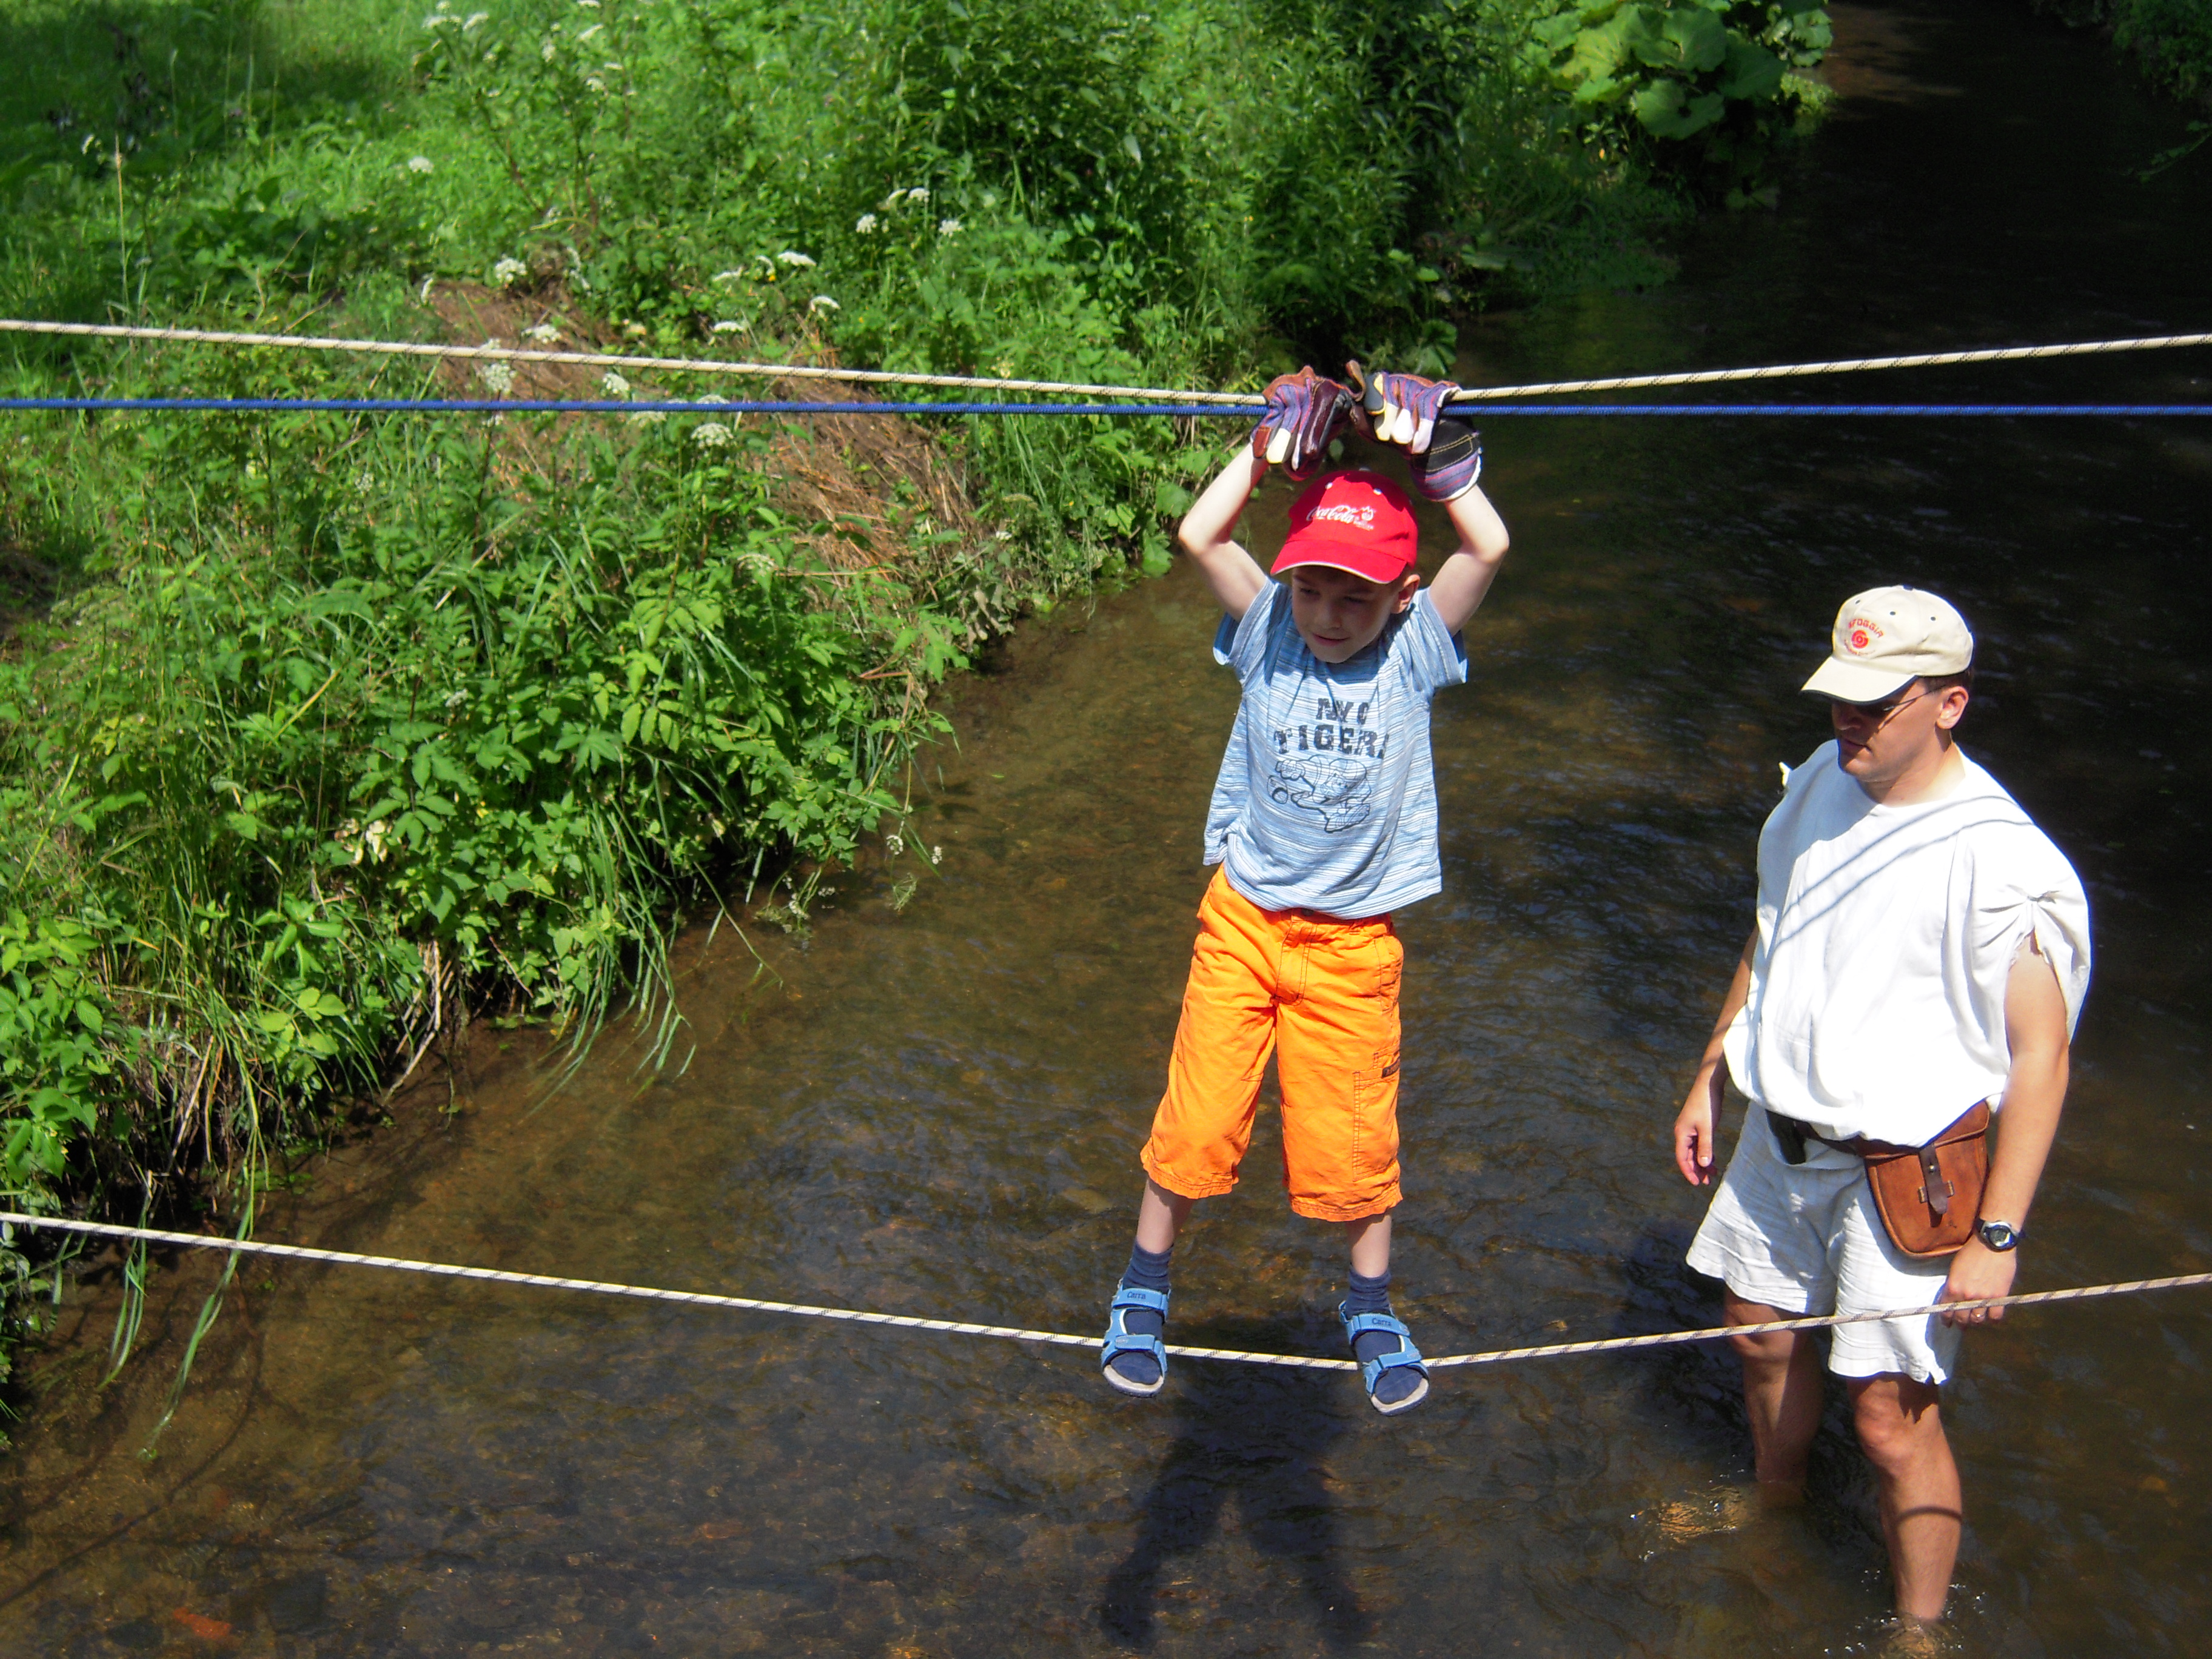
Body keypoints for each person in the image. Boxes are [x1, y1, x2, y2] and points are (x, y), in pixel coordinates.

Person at [1671, 586, 2092, 1627]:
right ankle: (1773, 1502)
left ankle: (1919, 1631)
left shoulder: (2003, 861)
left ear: (1950, 704)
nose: (1848, 722)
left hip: (1910, 1167)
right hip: (1782, 1134)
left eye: (1876, 703)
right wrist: (1711, 1071)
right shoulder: (1822, 778)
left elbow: (2042, 1058)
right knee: (1756, 1335)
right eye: (1839, 698)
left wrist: (1998, 1234)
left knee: (1891, 1418)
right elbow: (1773, 930)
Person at [1099, 367, 1510, 1415]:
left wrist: (1443, 463)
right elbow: (1200, 536)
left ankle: (1369, 1304)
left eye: (1355, 596)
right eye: (1313, 589)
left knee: (1354, 1141)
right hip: (1241, 925)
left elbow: (1487, 549)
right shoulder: (1268, 629)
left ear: (1402, 595)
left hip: (1352, 946)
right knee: (1197, 1119)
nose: (1328, 615)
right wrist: (1262, 450)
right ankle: (1144, 1286)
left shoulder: (1417, 651)